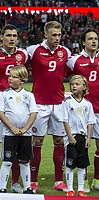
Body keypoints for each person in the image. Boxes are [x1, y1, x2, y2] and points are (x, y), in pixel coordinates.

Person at [0, 24, 28, 193]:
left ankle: (15, 183)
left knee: (15, 145)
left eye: (14, 35)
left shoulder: (23, 54)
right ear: (1, 37)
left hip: (16, 106)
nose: (11, 38)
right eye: (8, 35)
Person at [28, 21, 72, 193]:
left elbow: (69, 70)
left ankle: (58, 181)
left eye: (59, 35)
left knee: (59, 141)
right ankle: (33, 181)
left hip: (59, 103)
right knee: (37, 141)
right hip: (39, 104)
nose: (57, 38)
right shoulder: (32, 51)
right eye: (54, 35)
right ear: (45, 35)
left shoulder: (65, 52)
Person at [66, 28, 99, 192]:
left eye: (96, 39)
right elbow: (61, 73)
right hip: (82, 109)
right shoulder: (74, 60)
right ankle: (82, 182)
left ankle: (97, 179)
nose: (94, 41)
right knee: (81, 146)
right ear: (83, 42)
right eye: (90, 39)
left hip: (98, 109)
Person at [0, 66, 37, 194]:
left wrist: (25, 128)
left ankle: (27, 187)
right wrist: (12, 128)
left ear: (22, 80)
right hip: (9, 134)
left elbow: (33, 113)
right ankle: (2, 188)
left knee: (24, 161)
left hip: (26, 134)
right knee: (7, 161)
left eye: (14, 77)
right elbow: (0, 112)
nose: (10, 78)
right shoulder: (4, 94)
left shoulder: (29, 95)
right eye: (9, 76)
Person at [60, 75, 95, 197]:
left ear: (84, 87)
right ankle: (70, 189)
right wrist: (69, 136)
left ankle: (80, 189)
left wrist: (89, 138)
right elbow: (65, 120)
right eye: (72, 84)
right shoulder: (67, 102)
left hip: (83, 137)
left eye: (77, 84)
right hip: (71, 137)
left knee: (82, 164)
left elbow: (90, 122)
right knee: (70, 164)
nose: (74, 86)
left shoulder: (88, 104)